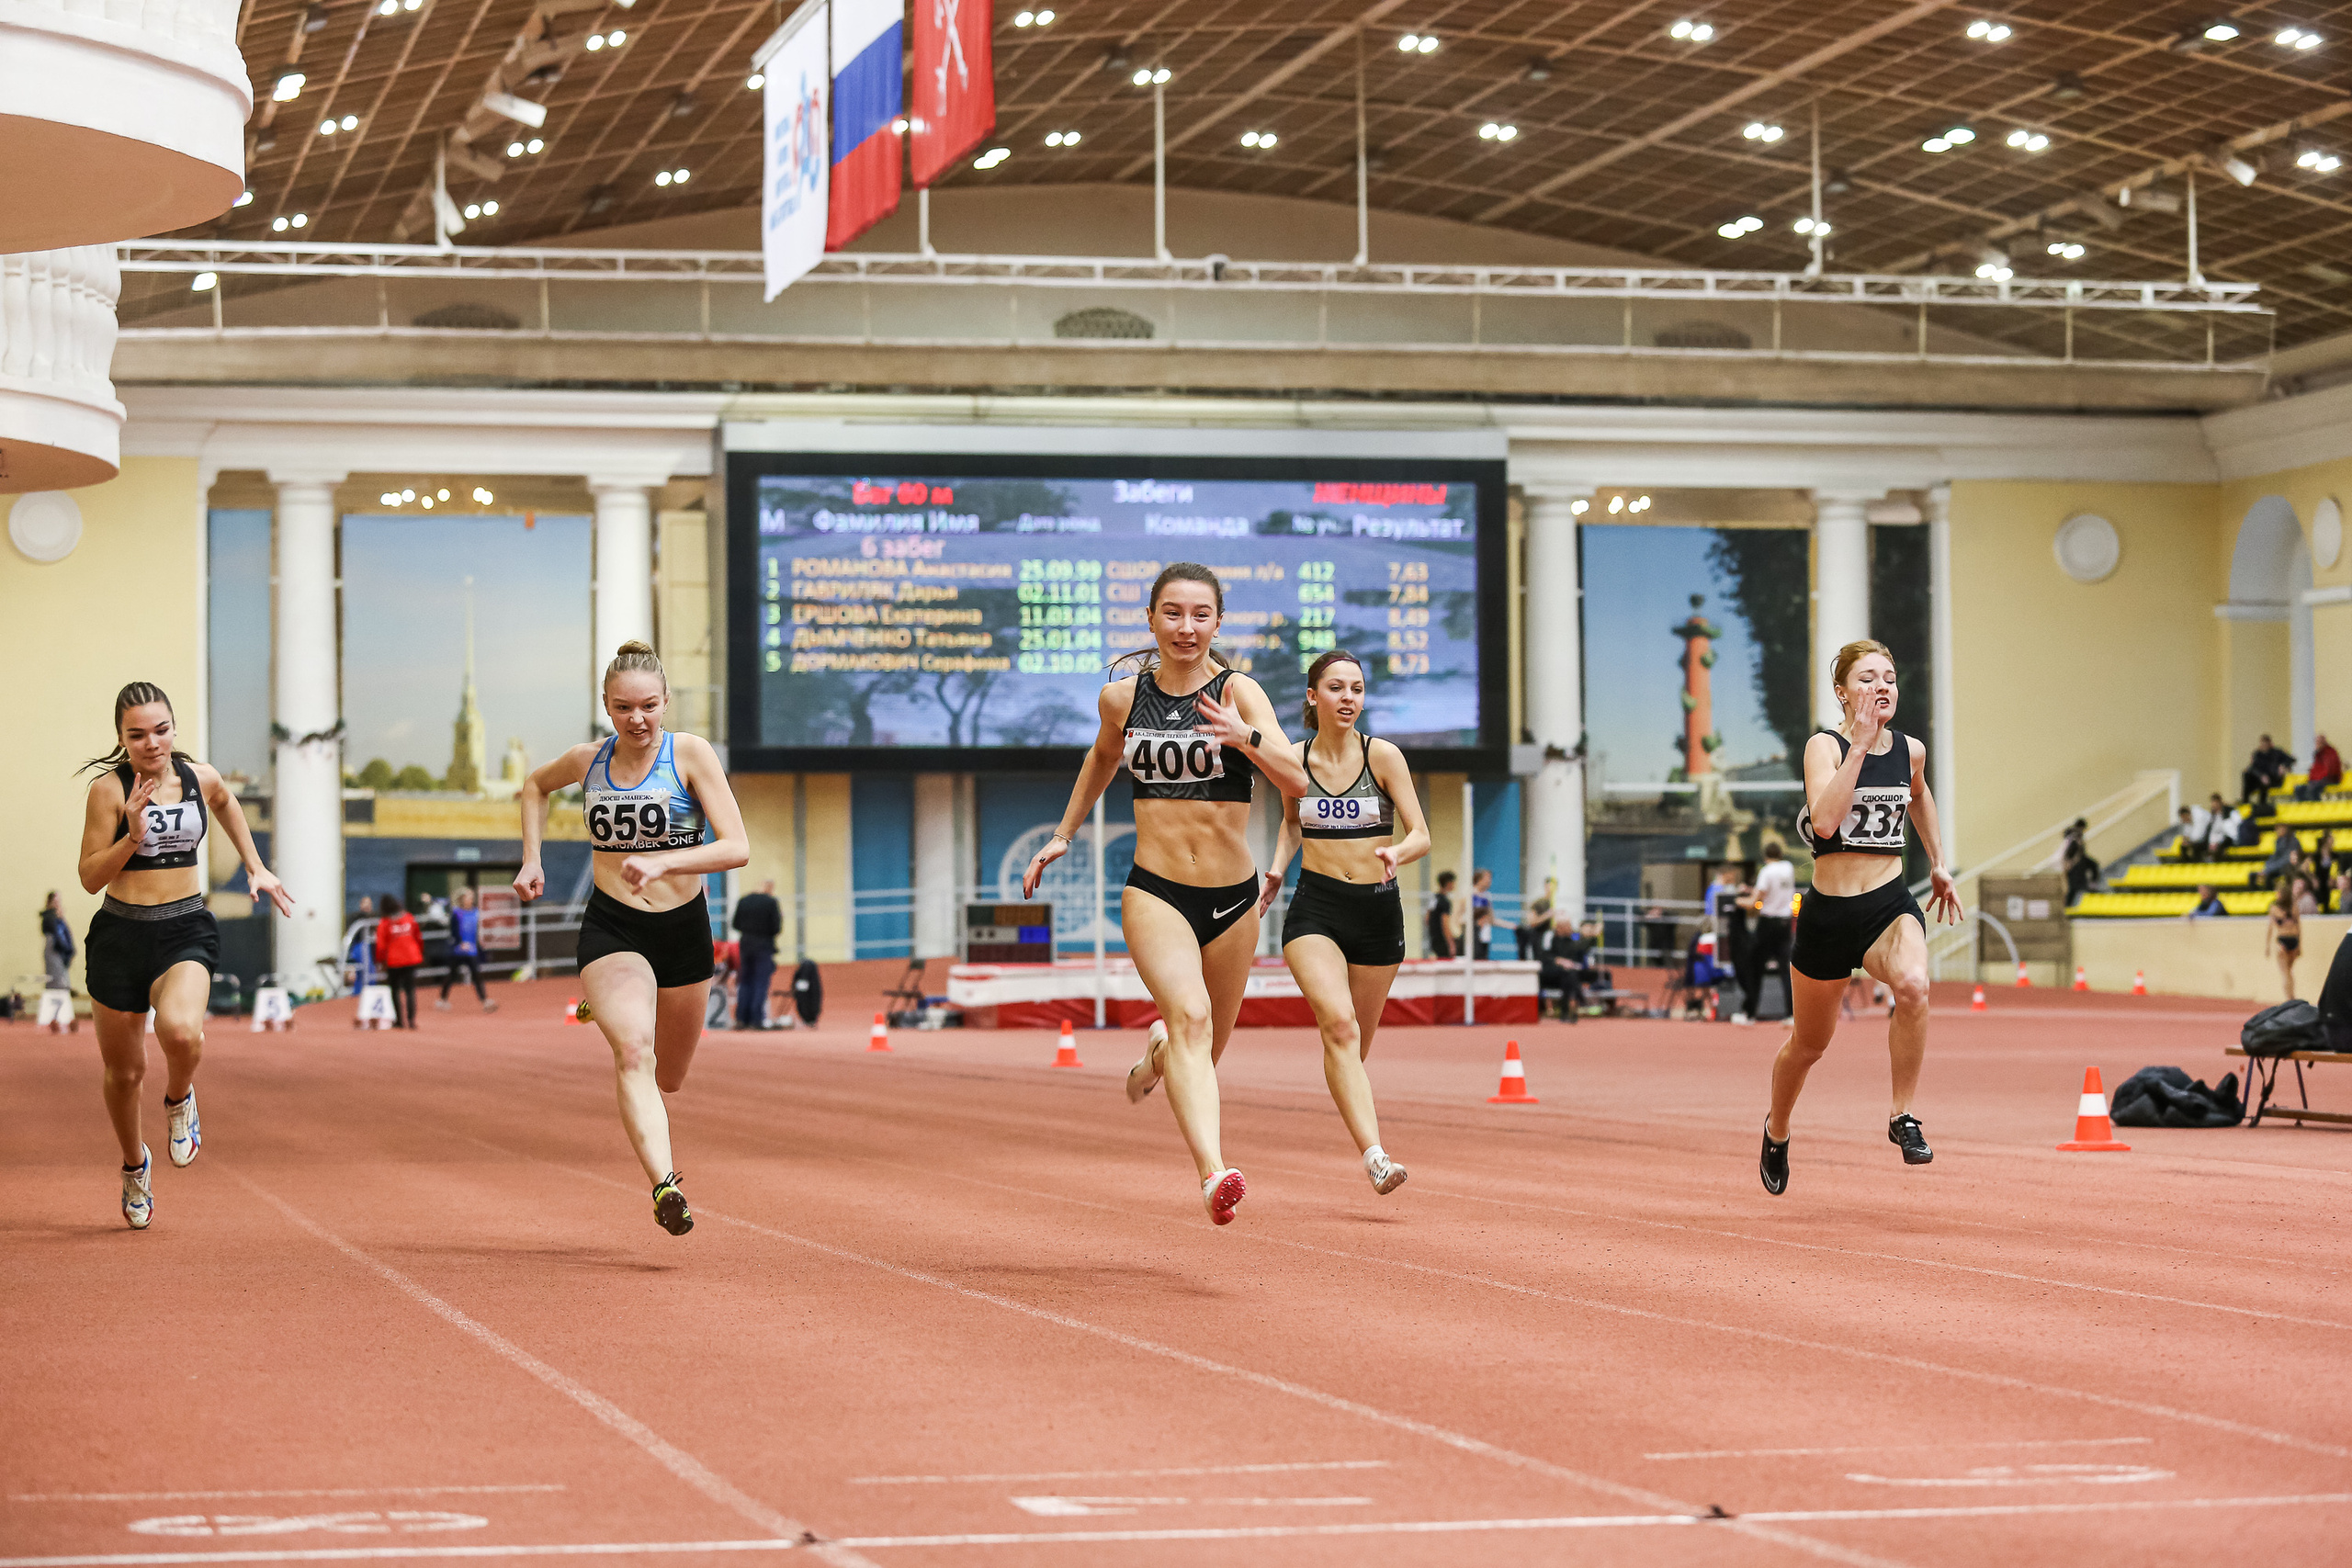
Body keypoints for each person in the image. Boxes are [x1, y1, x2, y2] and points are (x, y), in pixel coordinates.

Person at [1022, 563, 1308, 1226]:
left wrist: (1248, 737)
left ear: (1218, 621)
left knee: (1199, 1051)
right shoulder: (1123, 698)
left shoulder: (1241, 691)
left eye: (1200, 614)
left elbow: (1297, 779)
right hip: (1156, 890)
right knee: (1190, 1017)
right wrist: (1064, 832)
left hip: (1234, 899)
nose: (1186, 626)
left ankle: (1155, 1054)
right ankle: (1214, 1174)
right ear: (1151, 618)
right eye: (1173, 613)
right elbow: (1101, 756)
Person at [515, 641, 751, 1235]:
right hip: (614, 926)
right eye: (624, 707)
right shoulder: (587, 760)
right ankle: (665, 1185)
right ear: (606, 706)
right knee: (633, 1052)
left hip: (682, 931)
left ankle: (619, 1008)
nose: (637, 719)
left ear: (666, 702)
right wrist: (531, 859)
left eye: (648, 705)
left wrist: (665, 864)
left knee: (668, 1076)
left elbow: (736, 846)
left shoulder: (689, 755)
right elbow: (533, 787)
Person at [74, 682, 293, 1229]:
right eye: (137, 734)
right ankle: (133, 1167)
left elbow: (226, 803)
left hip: (184, 929)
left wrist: (255, 864)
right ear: (122, 738)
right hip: (120, 936)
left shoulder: (201, 779)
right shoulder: (108, 791)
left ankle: (179, 1100)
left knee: (180, 1032)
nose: (151, 743)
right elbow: (88, 878)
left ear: (174, 728)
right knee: (124, 1074)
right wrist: (131, 833)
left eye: (161, 730)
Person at [1760, 641, 1962, 1196]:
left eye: (1890, 678)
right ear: (1842, 692)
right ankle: (1777, 1130)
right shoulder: (1823, 748)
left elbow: (1919, 796)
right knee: (1809, 1045)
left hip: (1887, 905)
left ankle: (1903, 1116)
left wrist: (1939, 863)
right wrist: (1861, 749)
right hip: (1828, 914)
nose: (1882, 688)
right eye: (1868, 678)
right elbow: (1825, 823)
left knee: (1915, 986)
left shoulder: (1912, 751)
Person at [1259, 649, 1431, 1195]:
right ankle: (1377, 1158)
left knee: (1354, 1046)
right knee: (1338, 1025)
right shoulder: (1293, 758)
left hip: (1379, 909)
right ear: (1313, 697)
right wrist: (1277, 870)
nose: (1348, 698)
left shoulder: (1384, 757)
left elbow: (1421, 834)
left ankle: (1349, 1102)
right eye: (1336, 688)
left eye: (1356, 688)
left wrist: (1397, 855)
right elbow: (1291, 825)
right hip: (1317, 907)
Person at [1742, 840, 1795, 1025]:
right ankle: (1791, 1014)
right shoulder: (1788, 868)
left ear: (1765, 856)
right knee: (1786, 969)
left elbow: (1754, 901)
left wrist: (1738, 899)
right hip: (1785, 922)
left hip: (1768, 922)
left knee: (1755, 967)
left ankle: (1749, 1013)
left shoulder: (1766, 871)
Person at [729, 878, 782, 1030]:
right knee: (760, 982)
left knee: (745, 980)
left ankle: (741, 1018)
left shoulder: (744, 900)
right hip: (763, 945)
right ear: (770, 888)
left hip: (745, 944)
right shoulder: (771, 902)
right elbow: (776, 927)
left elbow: (735, 924)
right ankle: (756, 1020)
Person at [436, 886, 495, 1011]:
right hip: (457, 951)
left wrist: (480, 944)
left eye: (471, 897)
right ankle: (442, 999)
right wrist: (459, 943)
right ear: (462, 899)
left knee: (477, 975)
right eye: (468, 897)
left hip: (472, 950)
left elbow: (477, 930)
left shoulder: (475, 912)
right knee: (452, 975)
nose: (471, 900)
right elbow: (453, 932)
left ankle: (485, 1001)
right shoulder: (456, 913)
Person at [376, 893, 424, 1028]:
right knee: (410, 990)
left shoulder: (384, 923)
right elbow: (418, 937)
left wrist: (380, 962)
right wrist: (419, 952)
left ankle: (399, 1020)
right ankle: (412, 1020)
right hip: (411, 958)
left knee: (395, 990)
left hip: (394, 960)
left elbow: (381, 946)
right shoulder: (409, 918)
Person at [2268, 882, 2303, 1000]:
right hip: (2290, 940)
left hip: (2285, 940)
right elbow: (2298, 927)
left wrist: (2267, 946)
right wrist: (2299, 945)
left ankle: (2289, 997)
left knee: (2286, 972)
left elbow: (2270, 928)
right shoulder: (2291, 907)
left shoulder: (2276, 908)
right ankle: (2291, 996)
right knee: (2288, 972)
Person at [2243, 734, 2294, 803]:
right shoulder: (2257, 754)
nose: (2264, 746)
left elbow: (2292, 759)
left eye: (2266, 744)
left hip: (2274, 778)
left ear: (2270, 744)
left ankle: (2262, 804)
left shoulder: (2277, 753)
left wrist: (2283, 766)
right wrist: (2261, 776)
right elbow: (2252, 768)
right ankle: (2245, 801)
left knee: (2264, 781)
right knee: (2247, 774)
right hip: (2260, 778)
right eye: (2263, 744)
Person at [40, 891, 74, 991]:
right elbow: (55, 936)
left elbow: (66, 935)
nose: (57, 904)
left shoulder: (59, 920)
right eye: (55, 902)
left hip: (61, 952)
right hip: (55, 950)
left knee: (62, 978)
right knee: (55, 981)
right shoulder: (49, 918)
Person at [2296, 733, 2341, 801]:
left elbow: (2331, 770)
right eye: (2316, 742)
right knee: (2299, 789)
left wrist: (2318, 777)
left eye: (2319, 742)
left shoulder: (2330, 752)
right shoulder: (2318, 754)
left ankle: (2315, 808)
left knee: (2312, 789)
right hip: (2318, 780)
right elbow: (2317, 769)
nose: (2317, 744)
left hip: (2329, 779)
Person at [1515, 882, 1554, 961]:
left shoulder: (1554, 903)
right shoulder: (1539, 903)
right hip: (1537, 935)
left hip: (1548, 935)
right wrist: (1546, 916)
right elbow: (1531, 922)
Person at [1426, 871, 1459, 960]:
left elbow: (1427, 919)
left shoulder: (1433, 898)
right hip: (1442, 940)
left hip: (1433, 938)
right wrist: (1451, 943)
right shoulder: (1445, 902)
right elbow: (1445, 924)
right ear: (1449, 883)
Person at [1469, 868, 1494, 961]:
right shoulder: (1470, 894)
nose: (1489, 881)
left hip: (1485, 934)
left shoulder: (1488, 896)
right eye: (1487, 878)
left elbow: (1491, 919)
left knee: (1483, 960)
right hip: (1473, 933)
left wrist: (1511, 926)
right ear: (1479, 879)